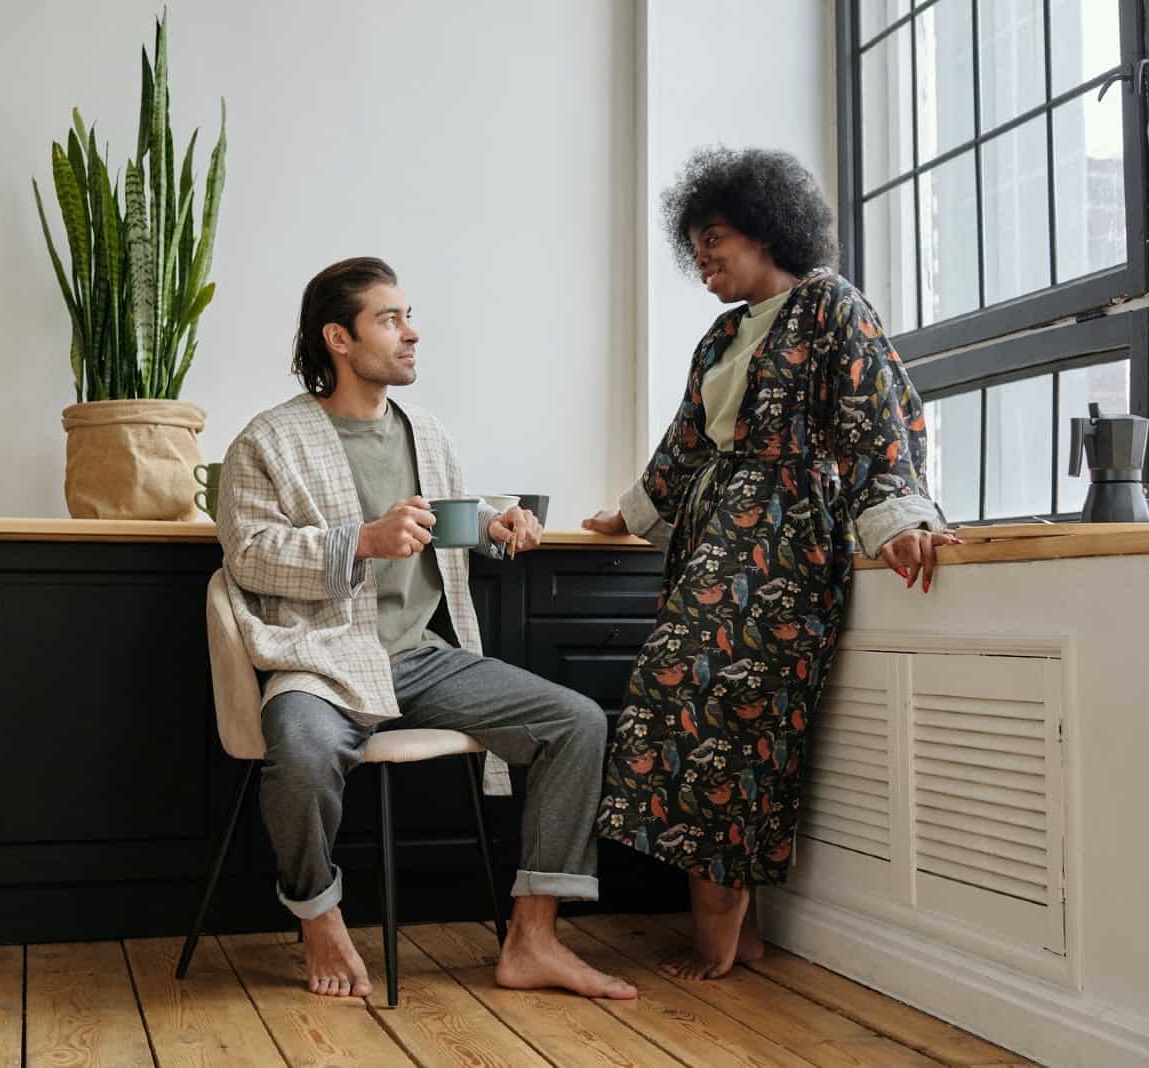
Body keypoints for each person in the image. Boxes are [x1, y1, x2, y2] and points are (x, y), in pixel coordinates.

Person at [585, 147, 958, 979]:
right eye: (696, 245)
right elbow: (683, 445)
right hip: (714, 538)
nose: (705, 258)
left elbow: (876, 417)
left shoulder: (833, 306)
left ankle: (723, 928)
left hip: (785, 541)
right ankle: (735, 929)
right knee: (679, 709)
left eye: (716, 237)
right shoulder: (722, 334)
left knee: (722, 715)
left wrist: (897, 517)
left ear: (766, 228)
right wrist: (628, 514)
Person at [218, 256, 635, 1000]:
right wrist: (362, 542)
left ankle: (533, 940)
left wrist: (494, 523)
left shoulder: (426, 433)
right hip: (324, 660)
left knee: (575, 723)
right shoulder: (268, 441)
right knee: (304, 752)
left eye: (408, 316)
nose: (412, 333)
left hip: (422, 660)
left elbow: (443, 518)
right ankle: (318, 917)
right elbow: (249, 556)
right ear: (338, 338)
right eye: (390, 319)